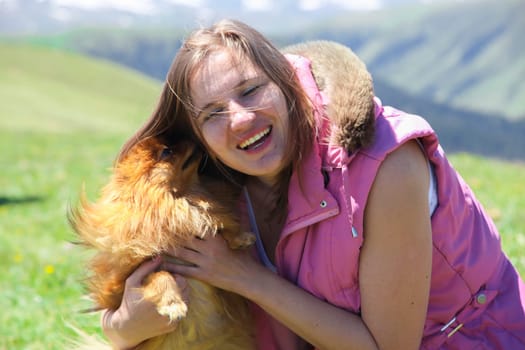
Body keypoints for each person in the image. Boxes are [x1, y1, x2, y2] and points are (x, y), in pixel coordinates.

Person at [101, 19, 525, 349]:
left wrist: (241, 276)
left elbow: (389, 346)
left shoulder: (385, 163)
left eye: (250, 91)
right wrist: (124, 324)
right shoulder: (208, 188)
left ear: (285, 83)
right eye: (213, 113)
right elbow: (122, 314)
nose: (240, 119)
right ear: (196, 136)